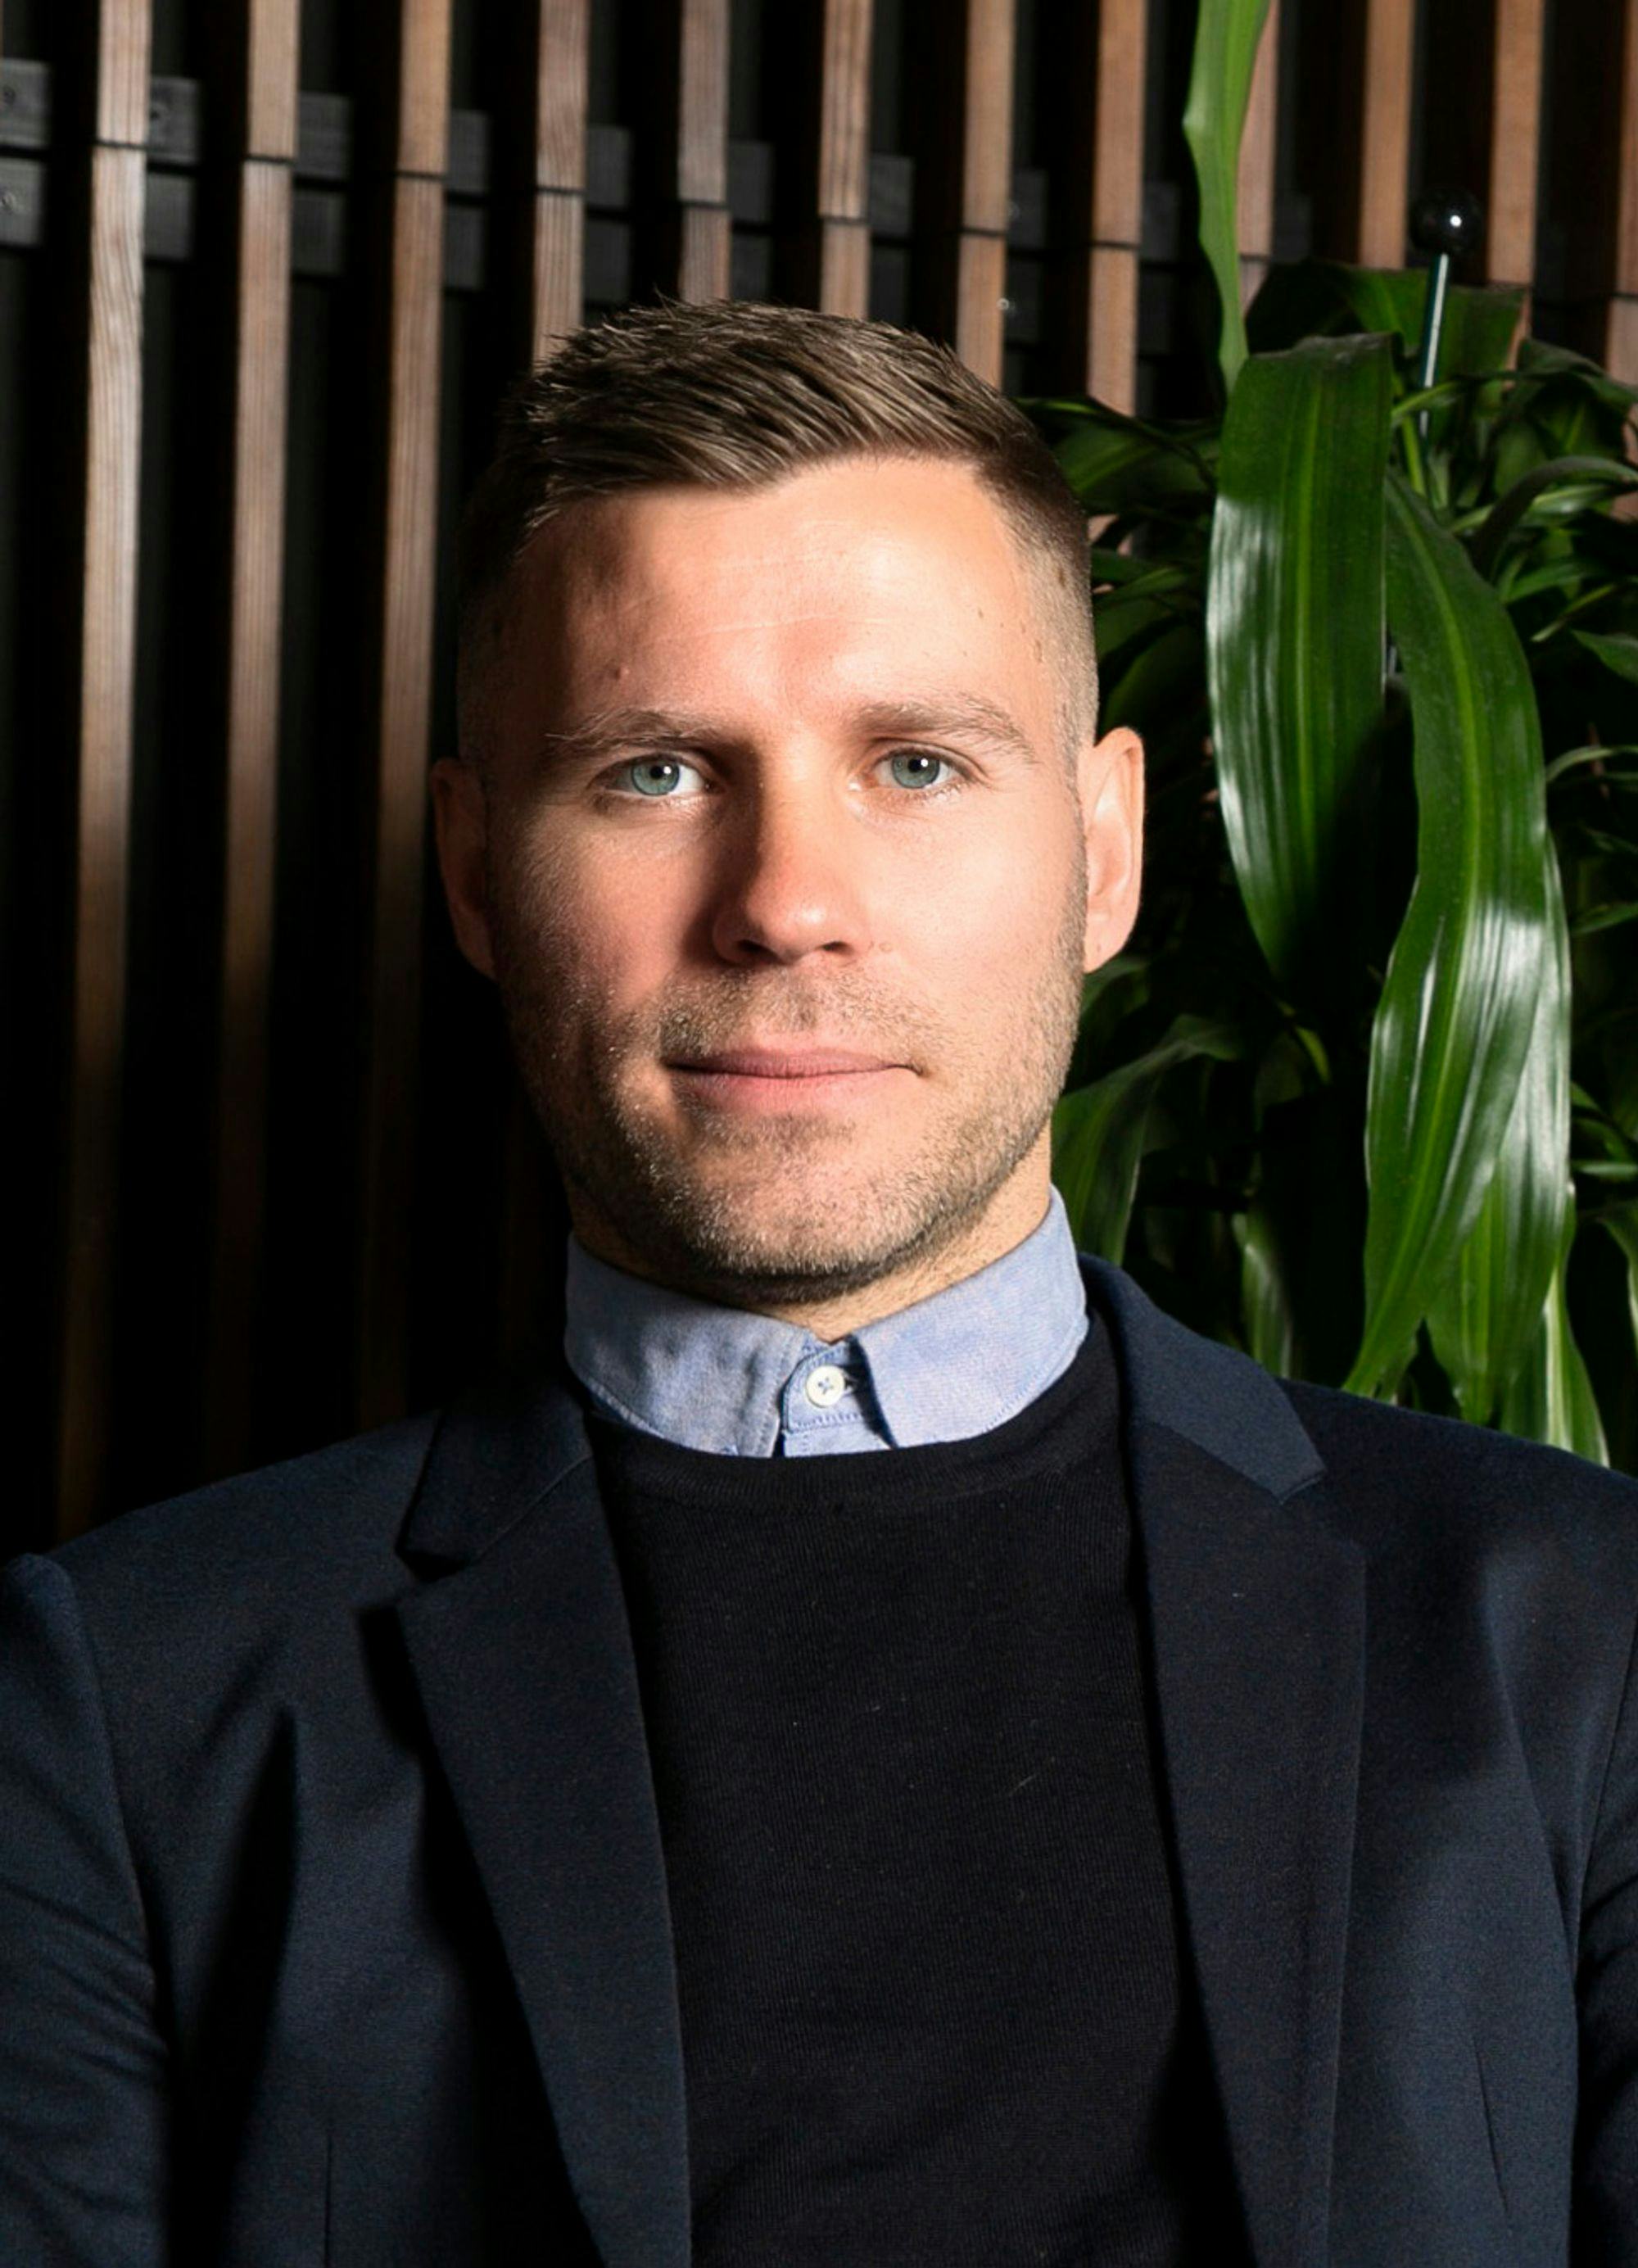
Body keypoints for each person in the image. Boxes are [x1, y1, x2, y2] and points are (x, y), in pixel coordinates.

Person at [2, 299, 1636, 2268]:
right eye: (657, 769)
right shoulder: (131, 1694)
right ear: (470, 871)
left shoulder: (1578, 1633)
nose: (787, 898)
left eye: (921, 764)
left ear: (1101, 853)